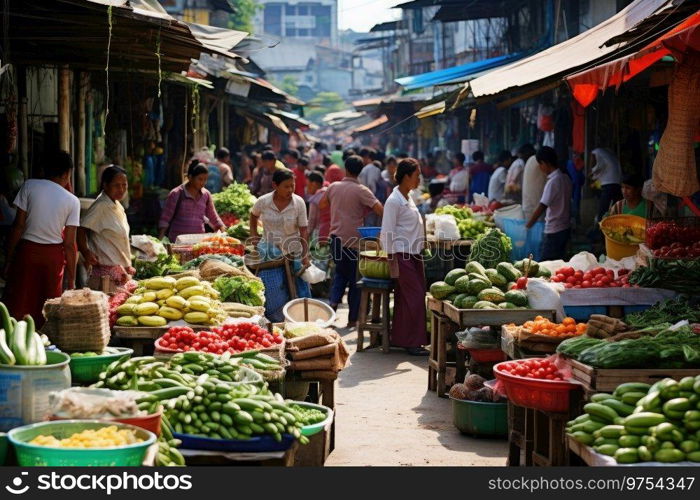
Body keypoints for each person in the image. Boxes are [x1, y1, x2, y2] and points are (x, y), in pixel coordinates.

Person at [2, 150, 80, 326]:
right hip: (53, 259)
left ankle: (12, 342)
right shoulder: (72, 201)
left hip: (27, 252)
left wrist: (8, 259)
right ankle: (45, 347)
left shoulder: (30, 186)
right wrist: (72, 280)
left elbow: (18, 226)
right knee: (48, 310)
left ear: (44, 170)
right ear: (67, 173)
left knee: (18, 303)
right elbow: (69, 244)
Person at [321, 155, 383, 328]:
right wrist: (363, 210)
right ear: (360, 171)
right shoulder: (362, 190)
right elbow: (380, 210)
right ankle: (352, 319)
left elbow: (322, 205)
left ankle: (333, 305)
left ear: (345, 169)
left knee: (340, 273)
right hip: (355, 242)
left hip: (336, 239)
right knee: (355, 279)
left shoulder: (333, 187)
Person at [381, 157, 428, 356]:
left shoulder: (407, 197)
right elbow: (387, 232)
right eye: (417, 176)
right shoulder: (393, 201)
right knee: (415, 297)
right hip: (401, 255)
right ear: (406, 176)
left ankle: (401, 338)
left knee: (405, 298)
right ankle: (413, 342)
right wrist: (393, 262)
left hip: (413, 254)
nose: (419, 180)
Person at [78, 166, 134, 290]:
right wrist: (86, 252)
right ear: (105, 185)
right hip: (106, 277)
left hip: (120, 274)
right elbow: (80, 229)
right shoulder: (101, 206)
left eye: (124, 185)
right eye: (116, 185)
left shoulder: (116, 204)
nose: (121, 189)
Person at [249, 169, 310, 267]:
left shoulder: (299, 203)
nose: (290, 189)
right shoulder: (263, 201)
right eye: (286, 186)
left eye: (292, 185)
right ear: (275, 185)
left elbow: (303, 230)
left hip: (292, 252)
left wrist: (305, 255)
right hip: (268, 252)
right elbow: (253, 215)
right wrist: (254, 237)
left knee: (294, 281)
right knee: (271, 281)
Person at [159, 161, 226, 242]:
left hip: (198, 241)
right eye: (200, 179)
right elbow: (165, 218)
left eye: (205, 179)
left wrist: (222, 229)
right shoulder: (176, 193)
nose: (203, 183)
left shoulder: (206, 195)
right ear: (190, 177)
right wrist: (160, 240)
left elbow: (213, 216)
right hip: (177, 241)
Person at [526, 147, 572, 260]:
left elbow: (542, 206)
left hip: (554, 229)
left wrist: (528, 225)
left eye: (540, 165)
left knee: (546, 263)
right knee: (559, 261)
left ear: (545, 163)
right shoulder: (566, 178)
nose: (540, 168)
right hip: (565, 227)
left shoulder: (553, 182)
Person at [592, 147, 623, 219]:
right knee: (617, 210)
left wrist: (592, 173)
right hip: (617, 183)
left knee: (603, 210)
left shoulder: (596, 151)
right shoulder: (609, 153)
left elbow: (596, 166)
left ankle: (599, 227)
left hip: (608, 184)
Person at [522, 147, 548, 221]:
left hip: (528, 206)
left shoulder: (530, 161)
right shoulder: (539, 162)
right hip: (537, 207)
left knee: (531, 230)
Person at [307, 171, 330, 244]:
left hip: (319, 232)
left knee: (319, 254)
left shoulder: (315, 199)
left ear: (314, 184)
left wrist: (307, 235)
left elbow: (312, 220)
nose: (307, 188)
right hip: (333, 232)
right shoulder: (329, 192)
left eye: (308, 185)